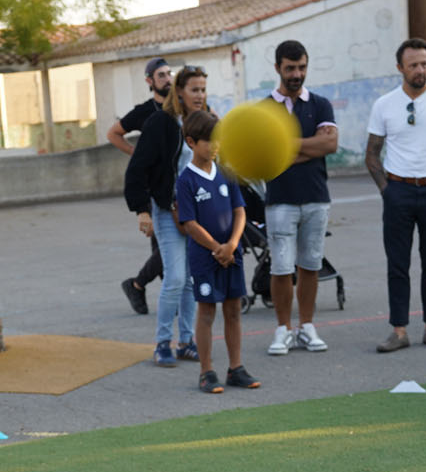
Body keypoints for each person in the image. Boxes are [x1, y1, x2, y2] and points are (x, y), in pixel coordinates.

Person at [365, 38, 426, 353]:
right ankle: (399, 330)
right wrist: (387, 191)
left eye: (424, 63)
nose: (420, 70)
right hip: (398, 190)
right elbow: (372, 153)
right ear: (400, 68)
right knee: (397, 263)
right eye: (413, 65)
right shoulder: (384, 105)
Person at [125, 64, 209, 367]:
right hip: (167, 210)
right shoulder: (161, 122)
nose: (199, 96)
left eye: (203, 90)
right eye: (194, 90)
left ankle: (186, 341)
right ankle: (162, 343)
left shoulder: (203, 122)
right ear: (180, 92)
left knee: (189, 280)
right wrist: (141, 210)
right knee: (175, 278)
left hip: (196, 212)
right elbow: (138, 168)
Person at [263, 39, 338, 356]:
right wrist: (310, 146)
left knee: (310, 264)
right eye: (290, 68)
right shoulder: (264, 110)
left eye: (302, 67)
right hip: (280, 199)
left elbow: (330, 145)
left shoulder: (321, 104)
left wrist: (286, 146)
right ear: (278, 67)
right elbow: (267, 156)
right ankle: (283, 329)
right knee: (281, 267)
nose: (297, 74)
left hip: (316, 197)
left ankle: (306, 326)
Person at [175, 110, 259, 394]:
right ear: (191, 142)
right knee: (207, 312)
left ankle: (236, 368)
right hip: (205, 257)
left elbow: (240, 212)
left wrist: (232, 244)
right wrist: (216, 248)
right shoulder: (186, 180)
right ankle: (206, 372)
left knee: (233, 310)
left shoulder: (227, 173)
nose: (215, 146)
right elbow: (189, 223)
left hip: (231, 254)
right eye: (209, 141)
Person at [111, 58, 172, 315]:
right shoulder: (144, 111)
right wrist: (136, 153)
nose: (167, 79)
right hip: (152, 187)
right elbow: (113, 133)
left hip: (177, 184)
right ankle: (141, 285)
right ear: (150, 81)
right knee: (166, 244)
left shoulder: (181, 106)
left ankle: (141, 286)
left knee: (165, 245)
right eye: (161, 75)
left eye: (169, 74)